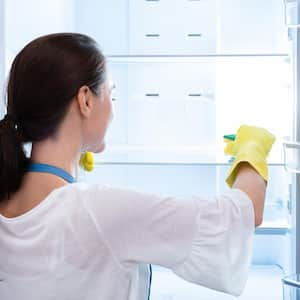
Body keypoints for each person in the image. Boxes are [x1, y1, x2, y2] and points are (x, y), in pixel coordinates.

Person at [0, 33, 275, 300]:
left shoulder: (7, 198)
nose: (113, 109)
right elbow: (239, 217)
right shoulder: (99, 210)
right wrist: (251, 150)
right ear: (85, 100)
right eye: (112, 94)